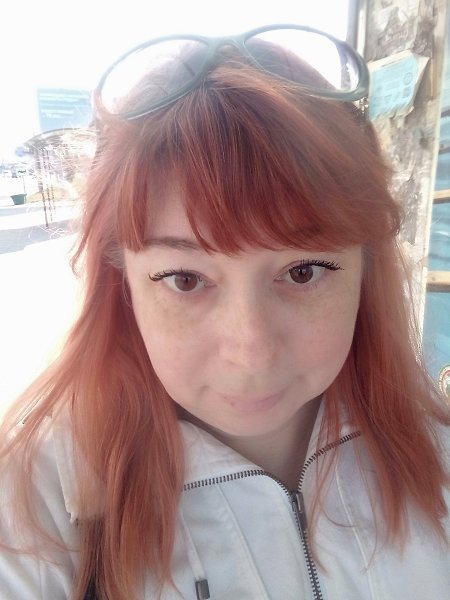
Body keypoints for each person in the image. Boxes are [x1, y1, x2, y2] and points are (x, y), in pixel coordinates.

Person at [0, 24, 449, 600]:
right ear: (122, 284)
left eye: (303, 272)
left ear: (366, 269)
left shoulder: (436, 456)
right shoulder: (34, 506)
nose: (251, 352)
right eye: (185, 279)